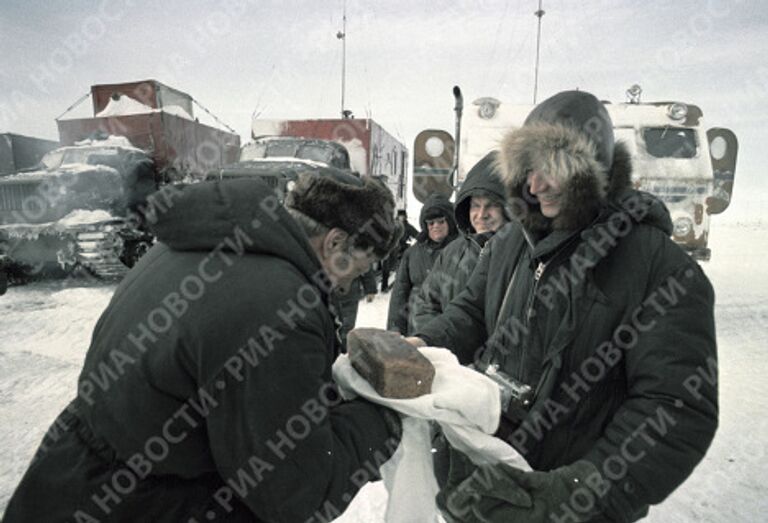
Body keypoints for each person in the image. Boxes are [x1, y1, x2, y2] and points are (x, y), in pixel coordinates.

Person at [4, 171, 403, 522]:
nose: (350, 287)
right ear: (335, 242)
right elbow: (294, 492)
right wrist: (382, 421)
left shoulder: (198, 243)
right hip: (143, 504)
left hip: (67, 475)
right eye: (360, 269)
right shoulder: (282, 304)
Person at [409, 91, 718, 522]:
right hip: (486, 480)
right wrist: (421, 344)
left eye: (550, 169)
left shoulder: (661, 270)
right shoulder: (511, 243)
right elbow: (472, 314)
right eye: (528, 171)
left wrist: (574, 493)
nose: (534, 187)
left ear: (593, 170)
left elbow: (674, 407)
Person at [410, 151, 509, 342]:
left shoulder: (520, 254)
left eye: (491, 206)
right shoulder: (451, 252)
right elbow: (427, 303)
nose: (481, 215)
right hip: (455, 363)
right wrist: (438, 346)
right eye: (475, 205)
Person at [386, 193, 457, 335]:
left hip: (452, 329)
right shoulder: (412, 254)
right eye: (431, 223)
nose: (436, 226)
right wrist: (395, 329)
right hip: (417, 328)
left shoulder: (464, 250)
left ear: (450, 222)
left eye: (441, 221)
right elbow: (400, 294)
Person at [333, 267, 377, 350]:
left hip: (350, 294)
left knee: (348, 325)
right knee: (331, 324)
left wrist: (370, 289)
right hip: (331, 294)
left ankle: (344, 348)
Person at [380, 210, 418, 292]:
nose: (401, 217)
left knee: (402, 269)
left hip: (402, 249)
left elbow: (417, 235)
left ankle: (400, 287)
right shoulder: (393, 225)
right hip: (390, 249)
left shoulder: (408, 227)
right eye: (400, 216)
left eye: (403, 216)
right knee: (385, 268)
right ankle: (384, 287)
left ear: (405, 217)